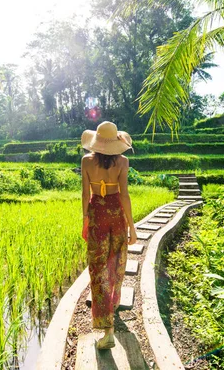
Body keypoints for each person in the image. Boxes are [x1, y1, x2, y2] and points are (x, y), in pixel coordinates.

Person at [80, 121, 138, 350]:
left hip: (96, 215)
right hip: (116, 215)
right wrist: (132, 228)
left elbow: (86, 194)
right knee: (115, 264)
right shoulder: (123, 161)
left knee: (98, 268)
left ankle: (107, 330)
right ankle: (112, 308)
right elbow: (125, 195)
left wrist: (85, 220)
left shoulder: (86, 161)